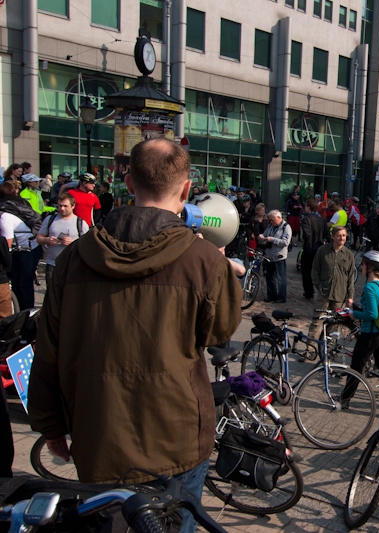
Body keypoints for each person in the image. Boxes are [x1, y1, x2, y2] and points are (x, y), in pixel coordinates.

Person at [28, 138, 242, 532]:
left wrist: (50, 425)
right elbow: (219, 333)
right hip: (177, 435)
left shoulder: (74, 258)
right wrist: (220, 269)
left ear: (129, 182)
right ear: (186, 189)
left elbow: (48, 350)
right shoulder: (203, 259)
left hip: (98, 432)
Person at [341, 251, 379, 408]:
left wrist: (353, 314)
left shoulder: (370, 287)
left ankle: (344, 401)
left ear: (370, 267)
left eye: (364, 265)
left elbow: (372, 313)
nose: (362, 267)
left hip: (371, 334)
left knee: (356, 369)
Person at [309, 225, 355, 342]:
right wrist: (318, 286)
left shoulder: (349, 254)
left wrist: (350, 296)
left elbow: (350, 277)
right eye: (339, 236)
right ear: (333, 236)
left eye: (344, 236)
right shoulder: (322, 251)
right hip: (324, 293)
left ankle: (329, 350)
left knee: (334, 326)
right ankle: (310, 348)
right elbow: (315, 270)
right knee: (317, 322)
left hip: (339, 295)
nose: (342, 238)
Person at [0, 181, 42, 310]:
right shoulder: (18, 203)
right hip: (23, 248)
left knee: (23, 284)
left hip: (27, 250)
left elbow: (6, 242)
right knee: (18, 284)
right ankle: (21, 313)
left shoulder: (5, 217)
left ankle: (27, 313)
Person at [36, 193, 89, 285]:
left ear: (73, 206)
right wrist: (47, 240)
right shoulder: (50, 219)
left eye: (65, 206)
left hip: (72, 266)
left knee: (69, 296)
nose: (62, 209)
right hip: (52, 264)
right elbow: (39, 238)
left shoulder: (80, 223)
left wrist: (73, 243)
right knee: (52, 295)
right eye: (60, 206)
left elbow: (88, 245)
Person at [259, 210, 291, 303]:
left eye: (272, 220)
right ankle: (271, 295)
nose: (271, 222)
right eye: (270, 220)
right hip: (269, 256)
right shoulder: (270, 226)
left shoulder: (286, 227)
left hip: (279, 256)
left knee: (280, 278)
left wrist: (272, 240)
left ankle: (281, 297)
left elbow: (285, 242)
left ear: (279, 218)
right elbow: (264, 234)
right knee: (269, 277)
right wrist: (261, 236)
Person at [300, 198, 329, 300]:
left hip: (309, 249)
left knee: (306, 271)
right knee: (318, 271)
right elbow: (327, 235)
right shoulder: (322, 220)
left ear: (308, 207)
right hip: (320, 249)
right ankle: (320, 290)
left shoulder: (306, 219)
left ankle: (309, 291)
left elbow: (306, 235)